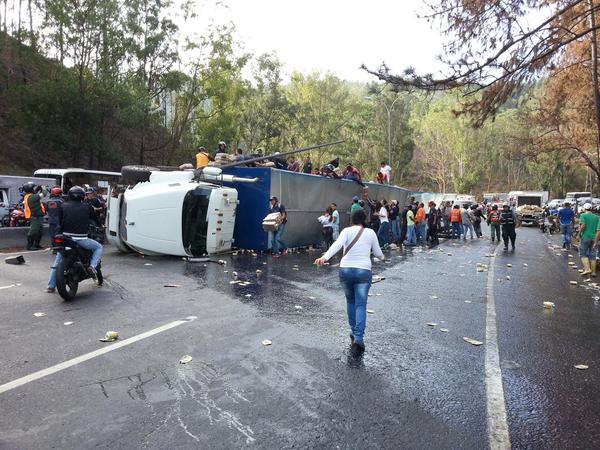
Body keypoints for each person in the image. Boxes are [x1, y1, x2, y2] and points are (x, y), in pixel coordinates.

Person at [314, 209, 385, 356]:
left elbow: (337, 245)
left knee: (351, 302)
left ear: (351, 219)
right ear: (364, 220)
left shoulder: (346, 231)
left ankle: (354, 332)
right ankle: (358, 338)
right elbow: (378, 254)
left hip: (346, 270)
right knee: (361, 304)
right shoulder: (370, 233)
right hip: (363, 272)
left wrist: (324, 258)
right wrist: (382, 257)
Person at [47, 186, 103, 293]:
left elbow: (59, 221)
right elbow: (95, 220)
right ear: (82, 196)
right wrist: (100, 226)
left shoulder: (62, 206)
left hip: (65, 238)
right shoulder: (88, 207)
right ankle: (92, 266)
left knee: (58, 260)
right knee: (98, 247)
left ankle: (50, 286)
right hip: (81, 239)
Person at [22, 182, 46, 250]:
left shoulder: (29, 196)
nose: (34, 189)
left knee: (39, 231)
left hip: (37, 216)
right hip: (34, 216)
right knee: (33, 231)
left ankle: (37, 244)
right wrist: (43, 187)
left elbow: (34, 193)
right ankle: (29, 246)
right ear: (30, 189)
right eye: (33, 188)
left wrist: (37, 189)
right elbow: (44, 194)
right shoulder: (32, 197)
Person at [579, 203, 599, 276]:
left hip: (585, 237)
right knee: (593, 254)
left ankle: (587, 269)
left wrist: (578, 234)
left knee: (583, 253)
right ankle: (593, 272)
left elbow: (583, 225)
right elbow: (598, 229)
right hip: (594, 238)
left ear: (584, 209)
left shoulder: (583, 215)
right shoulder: (597, 217)